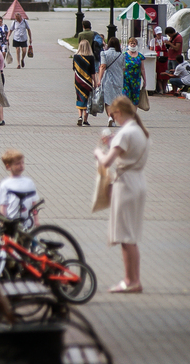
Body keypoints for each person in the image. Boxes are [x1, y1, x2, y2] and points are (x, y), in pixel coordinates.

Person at [94, 96, 149, 294]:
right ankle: (133, 279)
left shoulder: (125, 133)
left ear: (119, 112)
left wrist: (99, 153)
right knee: (130, 235)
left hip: (126, 184)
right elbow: (126, 154)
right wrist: (111, 142)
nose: (113, 119)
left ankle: (131, 280)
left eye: (113, 114)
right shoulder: (138, 131)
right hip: (137, 182)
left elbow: (107, 162)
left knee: (126, 236)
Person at [0, 149, 40, 228]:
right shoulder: (5, 184)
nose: (21, 165)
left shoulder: (29, 182)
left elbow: (34, 204)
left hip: (27, 223)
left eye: (22, 162)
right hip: (12, 223)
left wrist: (36, 221)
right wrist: (2, 222)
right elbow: (3, 206)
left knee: (31, 240)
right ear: (8, 166)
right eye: (17, 164)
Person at [97, 37, 125, 126]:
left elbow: (103, 66)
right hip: (118, 79)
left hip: (107, 79)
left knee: (107, 100)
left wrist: (99, 79)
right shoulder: (121, 55)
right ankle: (113, 119)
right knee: (116, 100)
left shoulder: (104, 53)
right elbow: (123, 68)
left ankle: (110, 116)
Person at [74, 39, 97, 127]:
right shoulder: (91, 58)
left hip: (78, 81)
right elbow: (93, 72)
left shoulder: (76, 57)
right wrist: (95, 82)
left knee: (79, 98)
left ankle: (79, 116)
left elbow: (74, 69)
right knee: (87, 100)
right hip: (87, 82)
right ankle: (85, 120)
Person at [122, 38, 144, 107]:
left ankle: (133, 115)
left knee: (135, 98)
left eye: (134, 43)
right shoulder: (124, 55)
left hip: (136, 80)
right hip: (126, 79)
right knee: (125, 96)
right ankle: (126, 113)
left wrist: (145, 80)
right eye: (131, 43)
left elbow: (142, 69)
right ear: (128, 44)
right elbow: (122, 68)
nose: (133, 45)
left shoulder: (140, 56)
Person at [148, 26, 168, 95]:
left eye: (160, 33)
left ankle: (165, 88)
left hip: (165, 58)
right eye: (158, 34)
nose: (159, 35)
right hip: (158, 59)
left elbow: (168, 47)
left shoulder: (165, 39)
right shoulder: (153, 41)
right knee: (159, 74)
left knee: (165, 74)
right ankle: (160, 89)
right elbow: (151, 49)